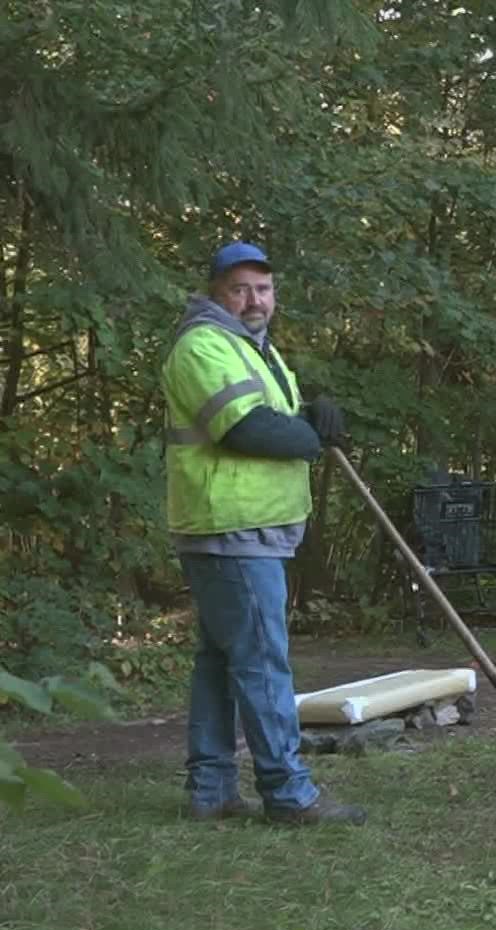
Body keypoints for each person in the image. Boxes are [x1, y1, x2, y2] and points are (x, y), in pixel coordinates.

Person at [163, 242, 365, 825]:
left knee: (221, 661)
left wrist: (312, 414)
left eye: (264, 289)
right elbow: (247, 428)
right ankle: (289, 794)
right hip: (231, 529)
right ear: (217, 293)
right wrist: (311, 436)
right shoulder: (202, 345)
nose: (254, 300)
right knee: (261, 661)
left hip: (244, 530)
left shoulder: (256, 350)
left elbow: (280, 418)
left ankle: (211, 790)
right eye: (240, 289)